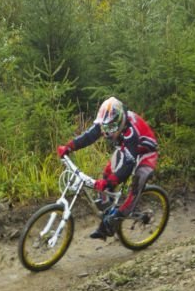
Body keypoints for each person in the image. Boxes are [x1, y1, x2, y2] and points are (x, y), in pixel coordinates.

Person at [57, 96, 158, 239]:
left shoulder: (130, 131)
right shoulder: (108, 122)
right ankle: (109, 219)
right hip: (127, 149)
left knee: (135, 185)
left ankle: (119, 216)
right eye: (105, 128)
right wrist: (69, 147)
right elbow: (89, 136)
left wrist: (111, 182)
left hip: (146, 153)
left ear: (121, 121)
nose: (108, 132)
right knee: (107, 174)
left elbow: (128, 165)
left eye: (112, 128)